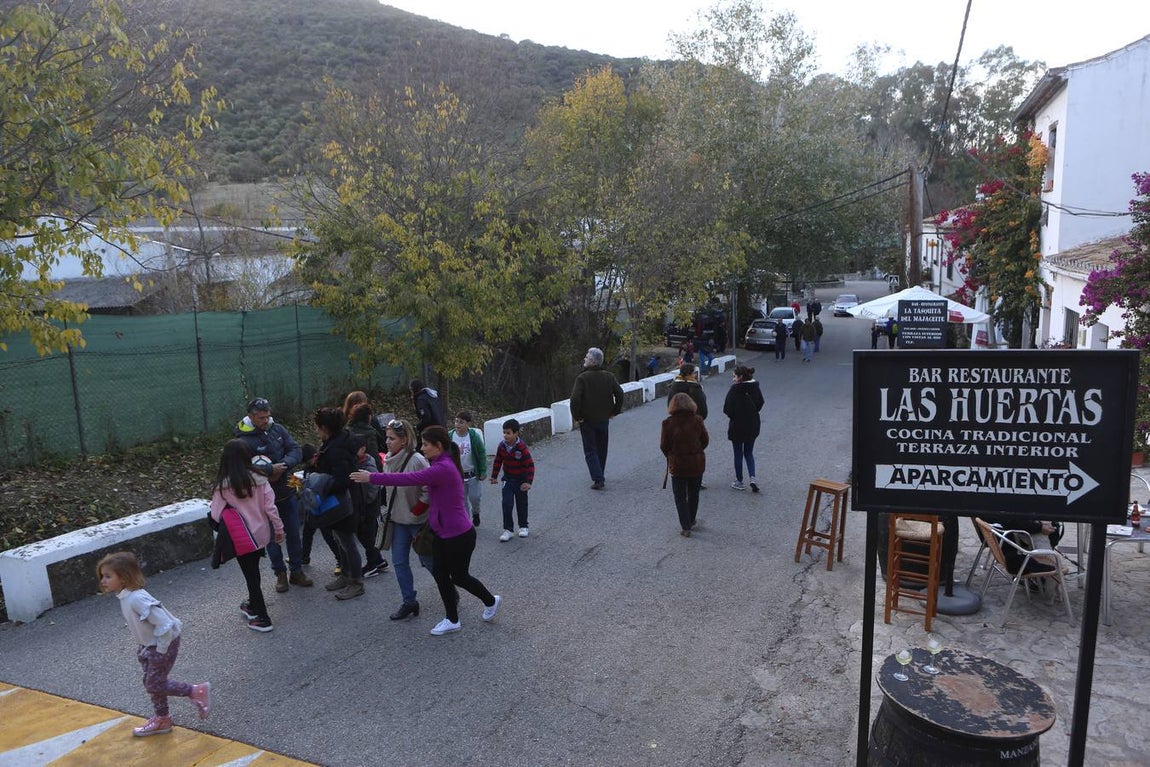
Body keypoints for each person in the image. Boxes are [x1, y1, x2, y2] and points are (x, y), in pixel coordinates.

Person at [352, 426, 501, 636]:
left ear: (438, 446)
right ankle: (452, 619)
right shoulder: (440, 463)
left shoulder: (443, 468)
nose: (422, 449)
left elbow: (407, 479)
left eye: (425, 445)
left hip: (459, 536)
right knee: (441, 575)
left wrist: (372, 477)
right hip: (441, 534)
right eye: (421, 444)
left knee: (459, 577)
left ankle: (490, 601)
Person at [98, 551, 211, 737]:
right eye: (102, 576)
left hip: (163, 643)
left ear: (124, 577)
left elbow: (165, 624)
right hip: (150, 645)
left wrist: (160, 650)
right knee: (152, 682)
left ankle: (196, 691)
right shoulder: (126, 597)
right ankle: (163, 719)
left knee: (154, 683)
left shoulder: (136, 599)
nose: (103, 581)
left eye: (108, 576)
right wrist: (144, 646)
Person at [234, 397, 312, 593]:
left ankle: (296, 571)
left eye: (268, 416)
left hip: (286, 491)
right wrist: (269, 470)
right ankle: (280, 574)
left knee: (294, 533)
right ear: (251, 416)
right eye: (261, 418)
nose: (266, 420)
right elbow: (242, 467)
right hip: (262, 498)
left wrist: (284, 465)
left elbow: (295, 449)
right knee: (272, 538)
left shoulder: (277, 429)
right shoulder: (242, 440)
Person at [209, 439, 285, 633]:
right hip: (261, 534)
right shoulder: (260, 479)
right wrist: (278, 530)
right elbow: (270, 508)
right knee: (254, 572)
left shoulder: (223, 487)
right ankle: (252, 605)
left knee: (251, 575)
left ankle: (263, 617)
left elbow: (216, 514)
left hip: (242, 538)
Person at [376, 418, 432, 621]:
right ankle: (409, 602)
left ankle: (449, 591)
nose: (387, 442)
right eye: (387, 437)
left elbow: (429, 489)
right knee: (399, 563)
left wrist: (417, 511)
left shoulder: (417, 460)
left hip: (417, 522)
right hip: (398, 521)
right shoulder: (388, 460)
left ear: (405, 439)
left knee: (428, 562)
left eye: (392, 438)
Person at [312, 406, 365, 601]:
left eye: (317, 427)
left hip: (344, 503)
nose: (316, 431)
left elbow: (344, 479)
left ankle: (356, 582)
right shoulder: (337, 441)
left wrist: (320, 482)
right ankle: (346, 574)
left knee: (347, 542)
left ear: (325, 427)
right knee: (340, 539)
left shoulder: (337, 449)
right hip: (340, 501)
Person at [570, 347, 625, 491]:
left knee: (590, 450)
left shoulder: (582, 378)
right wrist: (615, 411)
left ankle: (598, 478)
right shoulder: (609, 376)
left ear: (593, 362)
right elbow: (620, 394)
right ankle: (599, 472)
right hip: (603, 419)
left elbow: (575, 399)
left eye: (587, 357)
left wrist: (577, 416)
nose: (584, 359)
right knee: (602, 448)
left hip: (587, 420)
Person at [661, 393, 709, 537]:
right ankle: (692, 518)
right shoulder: (697, 420)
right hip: (696, 463)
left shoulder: (668, 423)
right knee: (694, 493)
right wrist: (697, 451)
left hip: (678, 464)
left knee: (680, 496)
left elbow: (664, 445)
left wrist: (671, 455)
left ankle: (685, 526)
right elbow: (705, 440)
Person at [348, 435, 389, 578]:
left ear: (363, 449)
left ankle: (372, 565)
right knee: (364, 535)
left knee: (368, 536)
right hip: (363, 506)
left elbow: (373, 489)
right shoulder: (357, 461)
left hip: (369, 507)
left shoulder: (368, 465)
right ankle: (379, 561)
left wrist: (365, 504)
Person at [490, 418, 535, 541]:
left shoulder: (521, 447)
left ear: (516, 433)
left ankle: (523, 526)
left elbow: (530, 465)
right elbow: (498, 461)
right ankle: (508, 530)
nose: (505, 435)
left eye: (508, 433)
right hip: (508, 480)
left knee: (521, 503)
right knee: (507, 503)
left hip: (521, 481)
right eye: (504, 432)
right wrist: (494, 476)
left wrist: (528, 482)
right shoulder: (502, 446)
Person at [723, 365, 764, 492]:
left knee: (738, 453)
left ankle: (739, 481)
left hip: (737, 426)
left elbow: (727, 409)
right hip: (752, 424)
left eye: (734, 376)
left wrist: (735, 415)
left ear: (740, 377)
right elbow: (760, 403)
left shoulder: (735, 390)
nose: (733, 379)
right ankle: (752, 477)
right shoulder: (755, 387)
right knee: (749, 452)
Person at [452, 411, 487, 527]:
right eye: (456, 421)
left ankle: (476, 512)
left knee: (475, 497)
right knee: (462, 501)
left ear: (468, 424)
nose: (457, 424)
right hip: (458, 476)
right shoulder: (450, 436)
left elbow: (481, 454)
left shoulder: (473, 436)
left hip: (472, 474)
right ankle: (466, 523)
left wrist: (483, 471)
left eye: (461, 422)